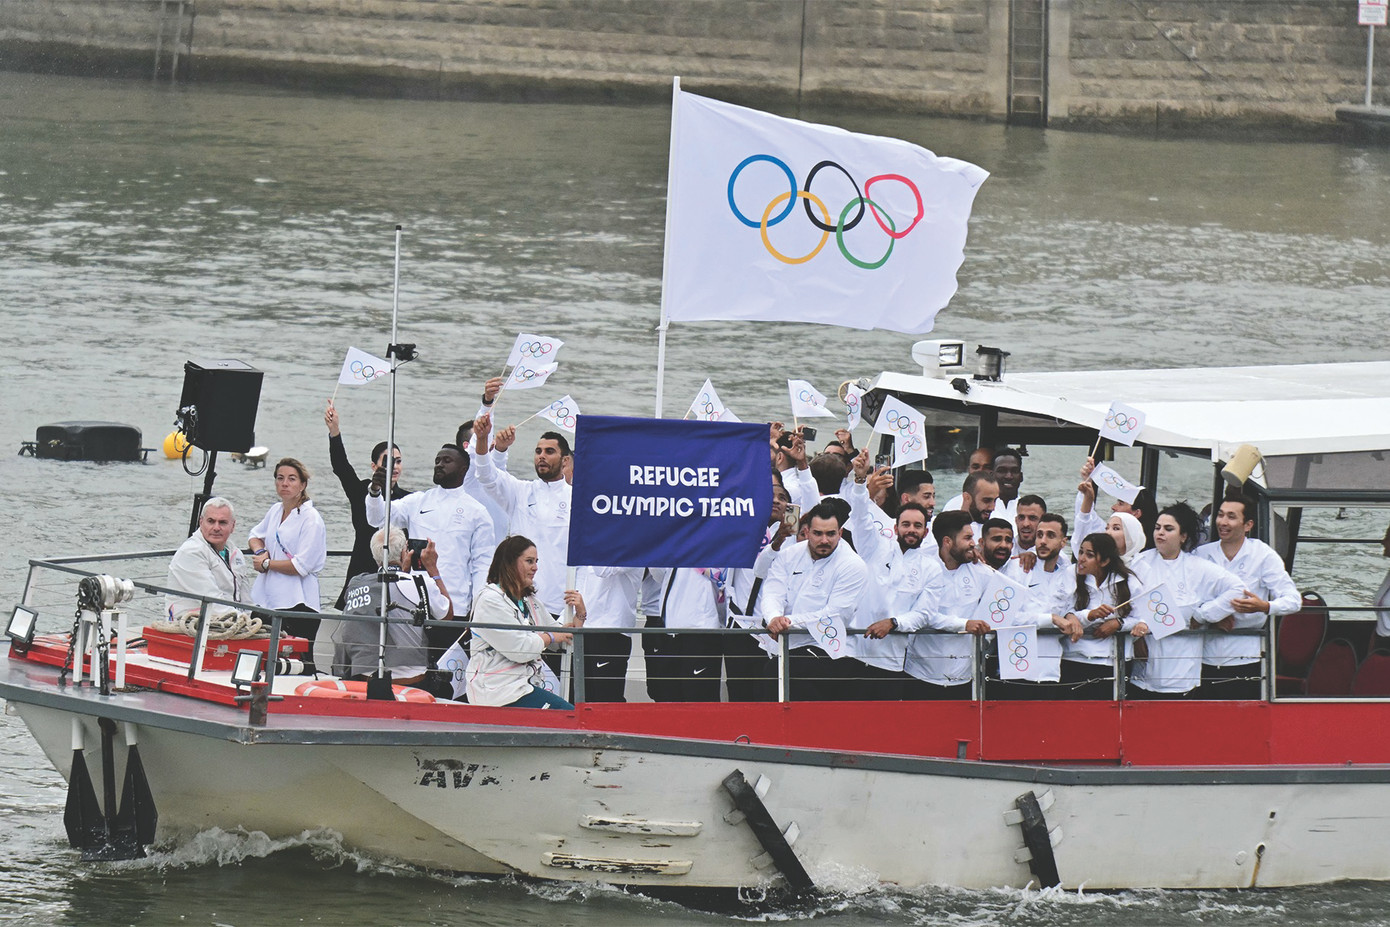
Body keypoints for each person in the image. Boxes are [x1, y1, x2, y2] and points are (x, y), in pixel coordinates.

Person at [854, 445, 943, 699]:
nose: (911, 530)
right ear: (895, 528)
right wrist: (861, 481)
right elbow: (860, 517)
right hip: (853, 656)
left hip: (892, 664)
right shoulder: (874, 548)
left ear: (926, 532)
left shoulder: (931, 569)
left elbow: (923, 614)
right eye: (906, 525)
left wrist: (893, 623)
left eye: (917, 526)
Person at [367, 444, 494, 621]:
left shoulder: (478, 512)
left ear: (463, 469)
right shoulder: (417, 501)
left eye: (446, 461)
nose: (439, 465)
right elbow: (378, 519)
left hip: (455, 605)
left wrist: (478, 607)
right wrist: (375, 491)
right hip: (414, 602)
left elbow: (482, 564)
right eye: (437, 461)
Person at [1129, 503, 1242, 699]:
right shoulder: (1140, 562)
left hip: (1181, 672)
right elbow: (1128, 601)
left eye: (1168, 529)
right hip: (1141, 670)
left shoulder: (1198, 568)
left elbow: (1238, 590)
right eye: (1157, 528)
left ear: (1183, 536)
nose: (1160, 533)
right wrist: (1138, 632)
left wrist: (1204, 615)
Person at [759, 501, 869, 701]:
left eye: (831, 534)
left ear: (840, 533)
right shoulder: (788, 555)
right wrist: (774, 617)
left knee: (778, 671)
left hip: (831, 649)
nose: (824, 540)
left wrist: (787, 623)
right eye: (818, 534)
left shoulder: (853, 565)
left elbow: (836, 615)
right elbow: (772, 592)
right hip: (785, 646)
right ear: (807, 531)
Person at [1195, 494, 1300, 699]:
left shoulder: (1263, 555)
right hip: (1203, 656)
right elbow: (1188, 599)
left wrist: (1264, 606)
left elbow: (1293, 600)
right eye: (1220, 515)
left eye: (1231, 517)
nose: (1223, 522)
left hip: (1245, 658)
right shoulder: (1201, 554)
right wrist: (1213, 616)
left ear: (1248, 524)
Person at [466, 535, 586, 709]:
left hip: (523, 687)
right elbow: (520, 650)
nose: (535, 568)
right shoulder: (489, 601)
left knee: (570, 717)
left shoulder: (529, 600)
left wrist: (580, 613)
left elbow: (563, 640)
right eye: (529, 561)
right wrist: (551, 636)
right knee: (568, 715)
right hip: (498, 692)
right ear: (509, 563)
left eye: (536, 561)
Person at [472, 414, 572, 618]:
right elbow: (486, 475)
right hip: (518, 601)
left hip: (559, 606)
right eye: (538, 451)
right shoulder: (520, 492)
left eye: (549, 451)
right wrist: (483, 440)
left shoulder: (577, 498)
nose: (541, 456)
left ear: (565, 460)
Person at [332, 527, 452, 683]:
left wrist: (404, 572)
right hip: (412, 679)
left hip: (366, 677)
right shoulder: (420, 584)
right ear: (405, 552)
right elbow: (447, 614)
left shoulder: (356, 584)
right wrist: (432, 568)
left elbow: (388, 590)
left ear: (375, 555)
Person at [894, 510, 992, 698]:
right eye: (968, 537)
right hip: (920, 676)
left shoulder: (980, 571)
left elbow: (1006, 598)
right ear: (947, 541)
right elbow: (923, 615)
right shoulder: (922, 566)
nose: (973, 543)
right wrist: (964, 624)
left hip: (964, 678)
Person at [325, 400, 408, 610]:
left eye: (398, 461)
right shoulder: (361, 490)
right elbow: (341, 467)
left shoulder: (408, 500)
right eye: (389, 461)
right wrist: (334, 431)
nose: (395, 466)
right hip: (361, 571)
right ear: (374, 466)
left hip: (395, 577)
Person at [248, 458, 328, 641]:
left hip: (298, 602)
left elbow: (301, 566)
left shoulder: (311, 519)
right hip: (267, 599)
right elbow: (254, 535)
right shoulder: (275, 510)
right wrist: (261, 552)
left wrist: (267, 564)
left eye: (291, 479)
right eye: (280, 478)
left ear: (302, 484)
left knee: (295, 660)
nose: (284, 483)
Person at [1060, 532, 1140, 699]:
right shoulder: (1070, 574)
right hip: (1075, 657)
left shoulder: (1128, 581)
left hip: (1112, 661)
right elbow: (1061, 610)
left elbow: (1142, 618)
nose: (1081, 558)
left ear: (1104, 561)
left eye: (1089, 555)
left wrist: (1119, 623)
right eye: (1081, 552)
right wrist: (1089, 615)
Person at [165, 497, 257, 636]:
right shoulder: (191, 552)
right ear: (201, 522)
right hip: (191, 627)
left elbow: (245, 599)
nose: (216, 528)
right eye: (211, 521)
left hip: (228, 624)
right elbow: (212, 602)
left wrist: (253, 619)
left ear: (233, 526)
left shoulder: (235, 553)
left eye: (223, 522)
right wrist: (245, 622)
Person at [573, 564, 644, 702]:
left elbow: (604, 570)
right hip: (585, 628)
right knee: (585, 697)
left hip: (611, 631)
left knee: (606, 697)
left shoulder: (632, 546)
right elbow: (581, 586)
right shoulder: (593, 551)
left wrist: (591, 542)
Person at [1076, 457, 1156, 553]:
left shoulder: (1150, 557)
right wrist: (1088, 482)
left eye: (1121, 504)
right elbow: (1085, 521)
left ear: (1136, 513)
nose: (1113, 507)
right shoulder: (1107, 533)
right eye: (1108, 528)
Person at [988, 447, 1026, 526]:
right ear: (991, 475)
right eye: (1002, 471)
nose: (1008, 476)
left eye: (1014, 471)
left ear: (1021, 477)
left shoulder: (1029, 511)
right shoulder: (983, 511)